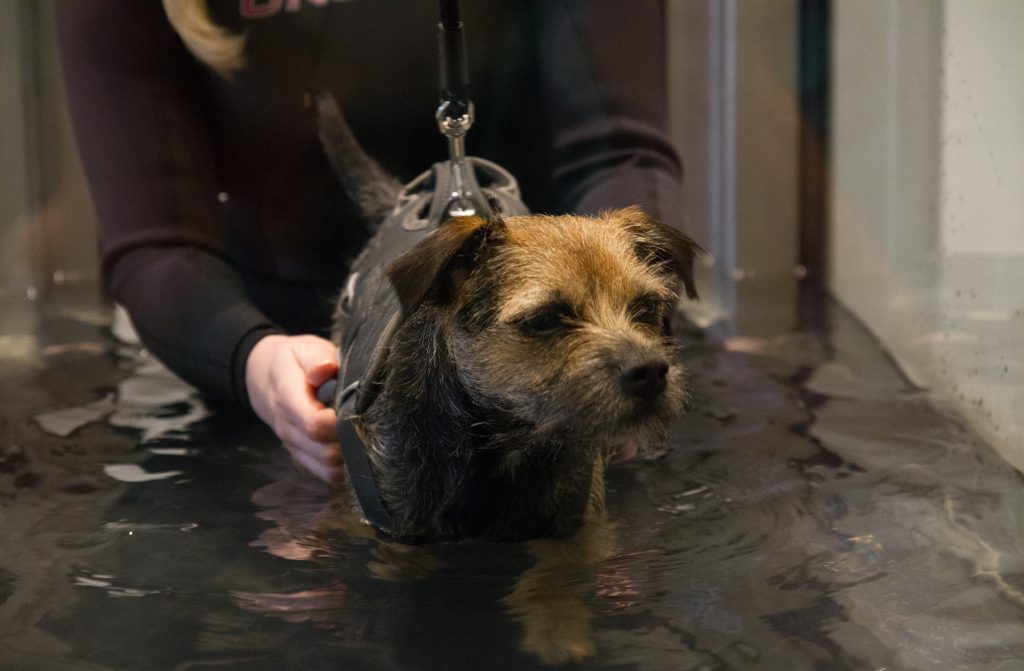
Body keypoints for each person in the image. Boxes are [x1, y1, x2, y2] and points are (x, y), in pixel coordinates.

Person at [56, 0, 684, 483]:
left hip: (557, 340)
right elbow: (157, 244)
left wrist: (630, 325)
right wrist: (252, 359)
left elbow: (620, 151)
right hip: (282, 359)